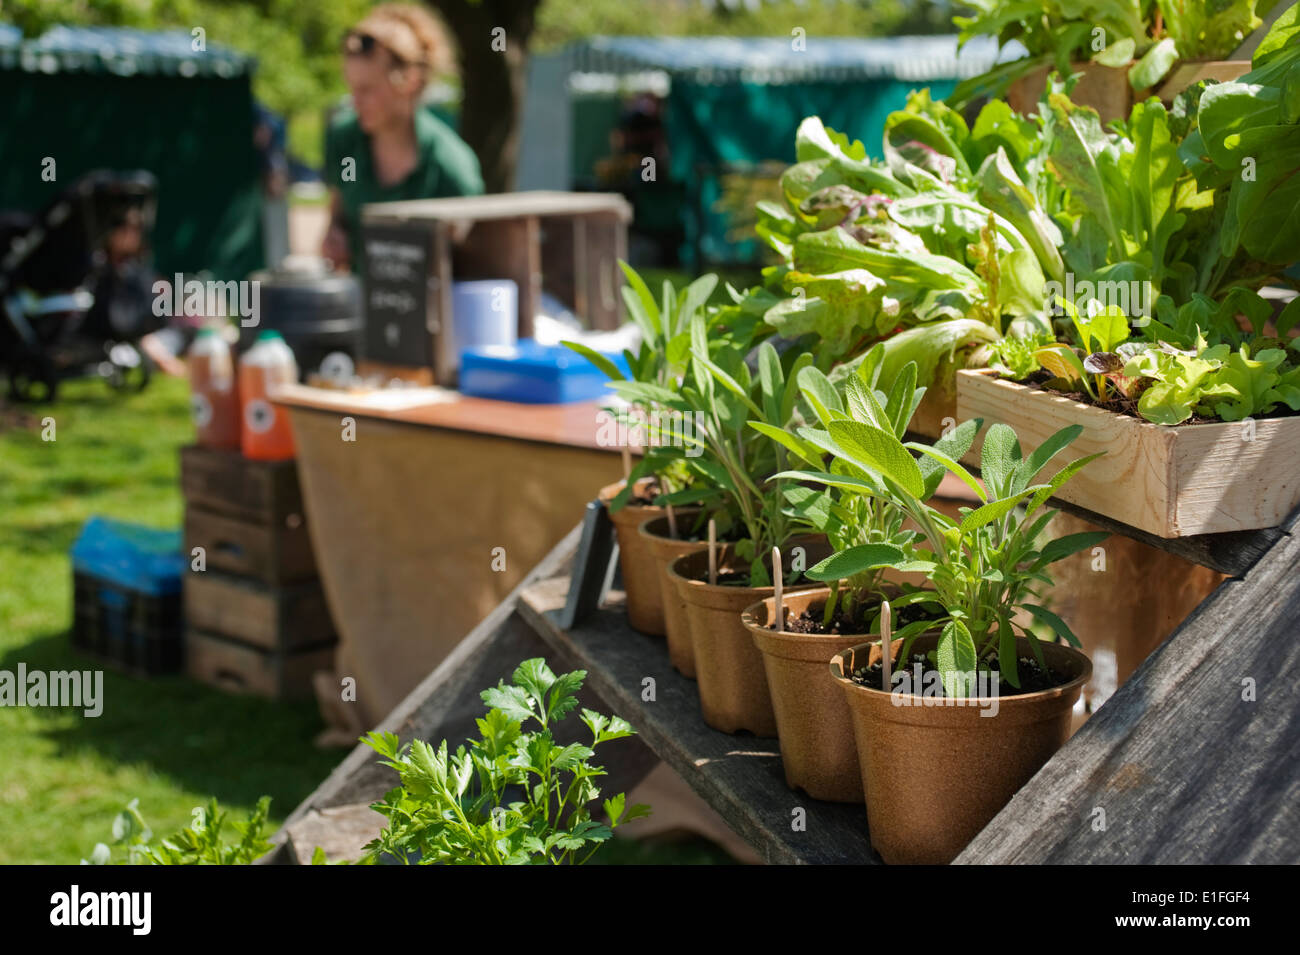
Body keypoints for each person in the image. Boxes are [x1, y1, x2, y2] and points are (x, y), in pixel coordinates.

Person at [322, 3, 484, 274]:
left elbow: (473, 261)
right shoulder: (345, 140)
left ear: (408, 81)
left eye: (367, 89)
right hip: (359, 303)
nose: (355, 101)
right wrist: (334, 236)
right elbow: (338, 214)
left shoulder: (451, 166)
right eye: (351, 88)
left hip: (430, 309)